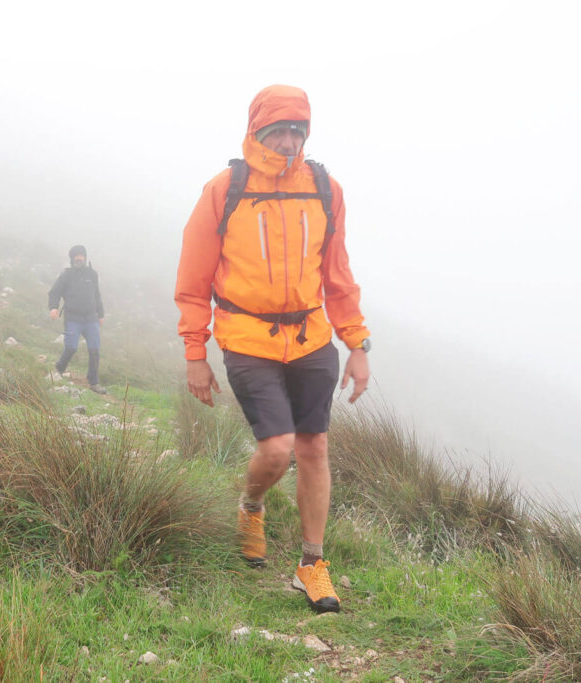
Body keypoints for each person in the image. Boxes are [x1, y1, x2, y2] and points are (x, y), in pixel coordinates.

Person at [174, 85, 370, 613]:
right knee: (278, 447)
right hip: (245, 337)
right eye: (277, 130)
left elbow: (338, 274)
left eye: (296, 130)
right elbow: (193, 281)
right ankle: (251, 505)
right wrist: (196, 351)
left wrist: (356, 342)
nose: (288, 141)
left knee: (314, 447)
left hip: (310, 338)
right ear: (257, 131)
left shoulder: (325, 189)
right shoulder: (225, 189)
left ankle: (311, 565)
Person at [48, 245, 107, 394]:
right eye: (76, 256)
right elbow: (54, 292)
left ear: (85, 258)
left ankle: (93, 382)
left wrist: (101, 314)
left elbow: (97, 295)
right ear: (71, 259)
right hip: (73, 318)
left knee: (94, 349)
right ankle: (59, 369)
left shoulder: (92, 275)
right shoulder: (66, 275)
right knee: (71, 347)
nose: (78, 258)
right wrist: (53, 308)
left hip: (91, 318)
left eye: (81, 256)